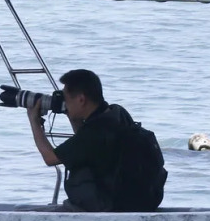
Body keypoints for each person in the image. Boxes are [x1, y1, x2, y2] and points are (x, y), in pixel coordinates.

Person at [25, 68, 165, 212]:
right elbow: (89, 145)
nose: (64, 104)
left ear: (81, 99)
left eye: (66, 99)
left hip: (110, 205)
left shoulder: (94, 132)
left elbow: (50, 158)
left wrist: (34, 121)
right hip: (137, 200)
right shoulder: (117, 113)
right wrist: (72, 116)